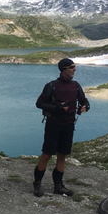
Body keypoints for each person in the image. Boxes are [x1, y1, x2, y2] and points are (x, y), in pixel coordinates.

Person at [33, 58, 90, 197]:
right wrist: (56, 108)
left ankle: (58, 186)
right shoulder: (51, 86)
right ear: (64, 69)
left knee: (62, 155)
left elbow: (84, 101)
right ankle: (37, 184)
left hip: (69, 125)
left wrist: (86, 106)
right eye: (72, 67)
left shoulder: (76, 86)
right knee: (47, 155)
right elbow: (39, 103)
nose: (75, 69)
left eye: (74, 67)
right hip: (53, 125)